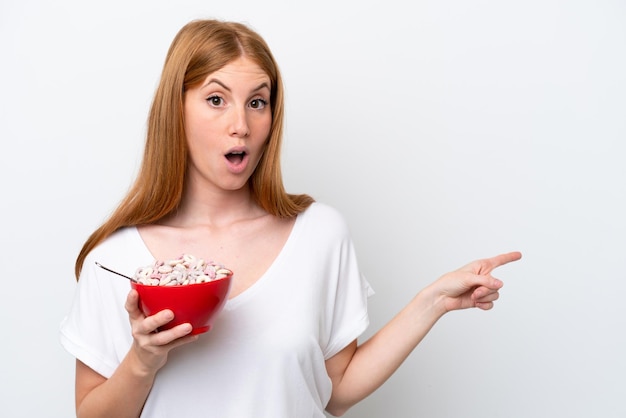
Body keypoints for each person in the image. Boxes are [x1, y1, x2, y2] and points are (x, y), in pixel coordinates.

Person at [59, 19, 522, 418]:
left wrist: (433, 301)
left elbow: (334, 391)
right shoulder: (115, 260)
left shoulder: (319, 233)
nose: (240, 123)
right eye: (216, 100)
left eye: (257, 102)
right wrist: (143, 358)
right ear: (175, 111)